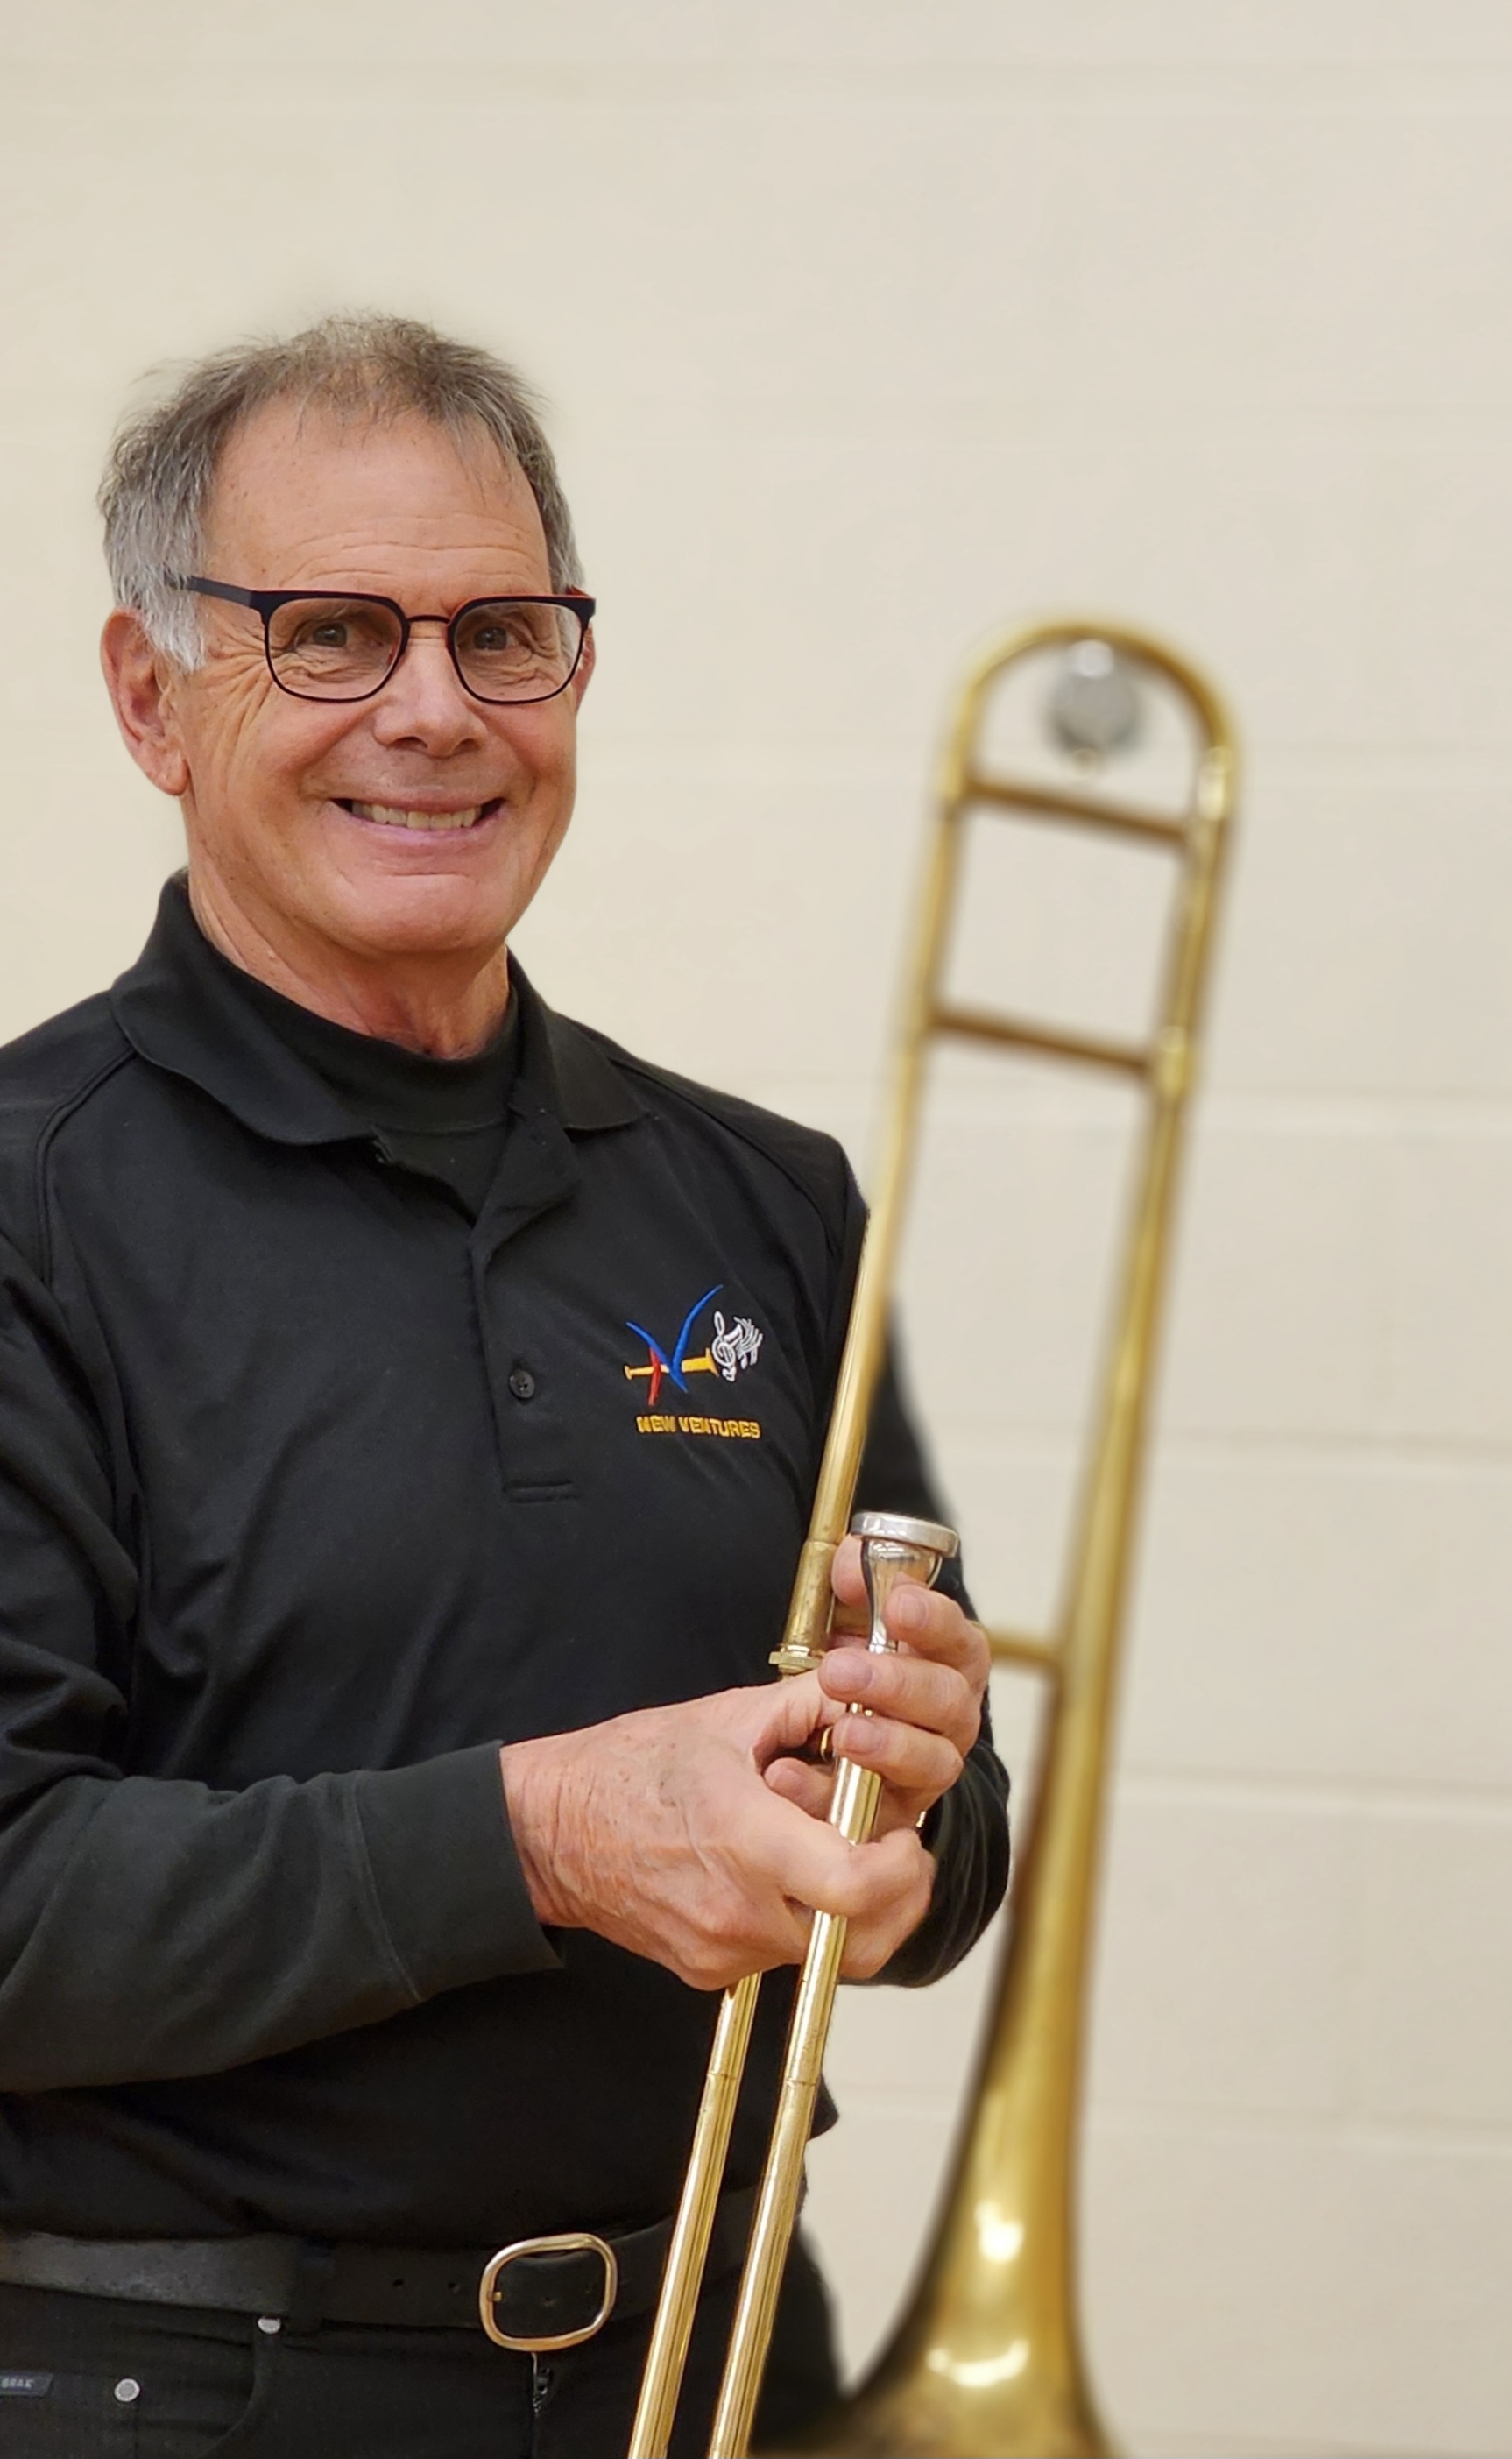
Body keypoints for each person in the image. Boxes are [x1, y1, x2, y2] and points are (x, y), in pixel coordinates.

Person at [0, 317, 1011, 2455]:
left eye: (507, 635)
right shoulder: (28, 1205)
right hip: (187, 2397)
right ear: (150, 700)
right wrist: (538, 1835)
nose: (439, 713)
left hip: (724, 2360)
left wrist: (914, 1801)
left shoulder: (768, 1199)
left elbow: (942, 1851)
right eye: (335, 635)